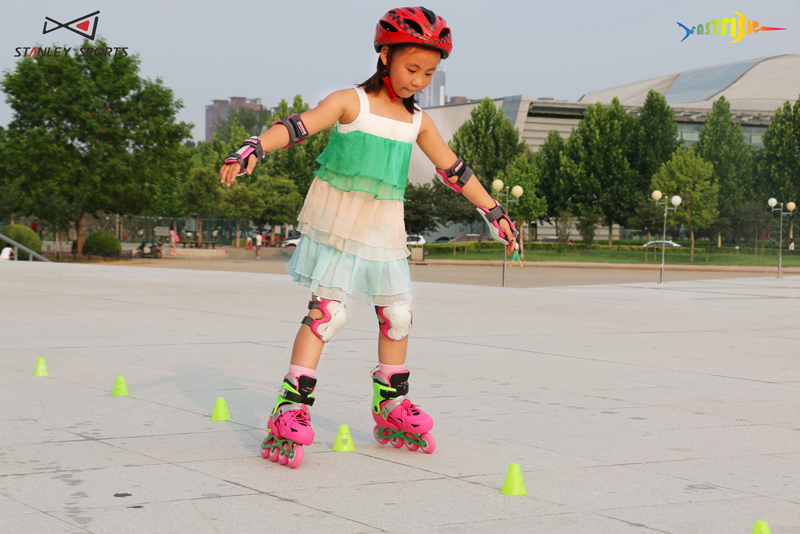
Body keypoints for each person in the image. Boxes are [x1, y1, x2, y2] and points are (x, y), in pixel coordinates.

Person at [220, 6, 517, 468]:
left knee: (397, 316)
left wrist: (494, 211)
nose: (418, 80)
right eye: (411, 68)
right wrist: (254, 145)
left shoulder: (418, 121)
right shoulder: (349, 102)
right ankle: (290, 408)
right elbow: (299, 125)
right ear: (385, 56)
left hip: (384, 223)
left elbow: (452, 168)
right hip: (340, 216)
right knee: (328, 314)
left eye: (429, 73)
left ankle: (391, 403)